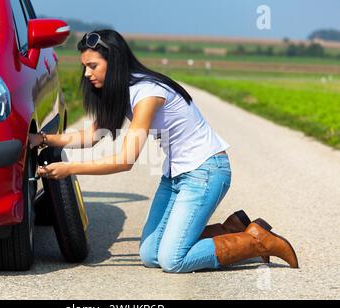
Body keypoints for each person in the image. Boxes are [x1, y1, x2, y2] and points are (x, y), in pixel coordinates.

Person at [29, 30, 298, 273]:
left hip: (205, 173)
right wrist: (41, 138)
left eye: (93, 66)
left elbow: (125, 161)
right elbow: (91, 136)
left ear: (115, 62)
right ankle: (231, 230)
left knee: (173, 260)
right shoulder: (121, 93)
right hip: (176, 176)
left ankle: (256, 241)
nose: (87, 74)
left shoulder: (147, 94)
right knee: (149, 255)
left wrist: (68, 169)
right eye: (85, 67)